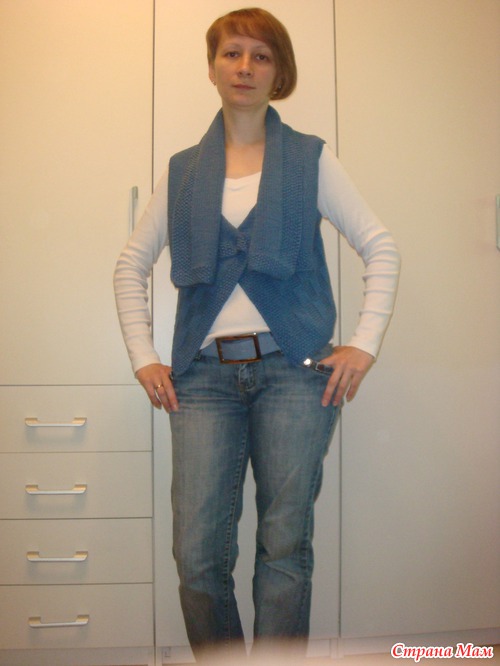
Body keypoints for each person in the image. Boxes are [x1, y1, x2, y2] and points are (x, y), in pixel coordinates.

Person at [114, 7, 400, 663]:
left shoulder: (310, 160)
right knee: (197, 554)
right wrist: (143, 356)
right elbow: (131, 265)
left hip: (295, 374)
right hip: (201, 380)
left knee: (284, 546)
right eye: (231, 53)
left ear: (279, 72)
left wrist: (364, 343)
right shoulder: (183, 171)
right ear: (213, 67)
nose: (244, 67)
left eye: (261, 56)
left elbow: (380, 245)